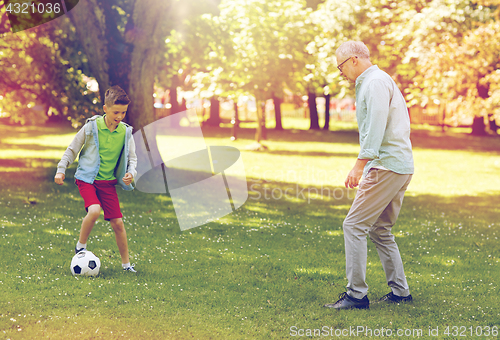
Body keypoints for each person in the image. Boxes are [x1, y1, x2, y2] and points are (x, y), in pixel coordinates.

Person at [324, 41, 414, 309]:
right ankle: (400, 292)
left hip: (385, 166)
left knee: (354, 226)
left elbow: (375, 127)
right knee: (381, 229)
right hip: (399, 165)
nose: (340, 72)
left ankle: (356, 295)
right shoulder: (377, 80)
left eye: (340, 66)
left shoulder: (374, 82)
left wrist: (359, 165)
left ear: (353, 60)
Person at [54, 85, 138, 273]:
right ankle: (80, 248)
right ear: (105, 109)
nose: (120, 116)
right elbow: (72, 149)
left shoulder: (125, 132)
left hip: (107, 183)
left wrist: (131, 173)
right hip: (87, 179)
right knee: (94, 210)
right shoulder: (91, 127)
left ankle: (126, 265)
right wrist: (61, 170)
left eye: (123, 112)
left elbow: (132, 159)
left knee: (118, 223)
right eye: (116, 112)